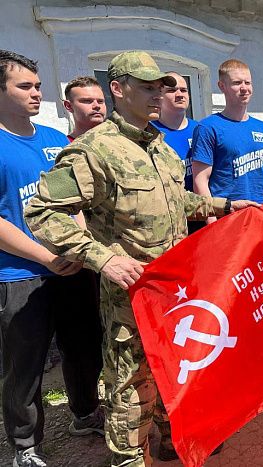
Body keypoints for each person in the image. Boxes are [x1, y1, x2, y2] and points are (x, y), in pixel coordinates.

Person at [24, 50, 256, 466]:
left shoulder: (161, 147)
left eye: (162, 88)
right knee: (129, 387)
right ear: (118, 88)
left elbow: (173, 200)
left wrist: (221, 206)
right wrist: (101, 258)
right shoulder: (96, 149)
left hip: (173, 289)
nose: (157, 96)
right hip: (129, 297)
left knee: (172, 367)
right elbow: (42, 212)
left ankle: (170, 438)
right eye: (147, 87)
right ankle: (128, 459)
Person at [0, 50, 103, 467]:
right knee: (24, 366)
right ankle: (25, 447)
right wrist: (45, 255)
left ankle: (83, 414)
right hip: (20, 274)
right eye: (24, 86)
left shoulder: (54, 141)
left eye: (37, 85)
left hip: (70, 269)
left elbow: (74, 201)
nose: (35, 93)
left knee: (83, 349)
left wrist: (78, 245)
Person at [191, 59, 263, 226]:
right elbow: (200, 180)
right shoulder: (208, 127)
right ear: (222, 86)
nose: (244, 88)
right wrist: (211, 223)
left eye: (248, 82)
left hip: (262, 216)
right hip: (227, 219)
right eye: (237, 83)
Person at [152, 71, 196, 191]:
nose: (179, 94)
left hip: (203, 205)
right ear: (160, 96)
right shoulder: (150, 133)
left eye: (183, 90)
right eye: (171, 90)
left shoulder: (200, 129)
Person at [62, 76, 107, 142]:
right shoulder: (63, 146)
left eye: (100, 101)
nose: (97, 106)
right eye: (87, 101)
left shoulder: (121, 143)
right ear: (68, 106)